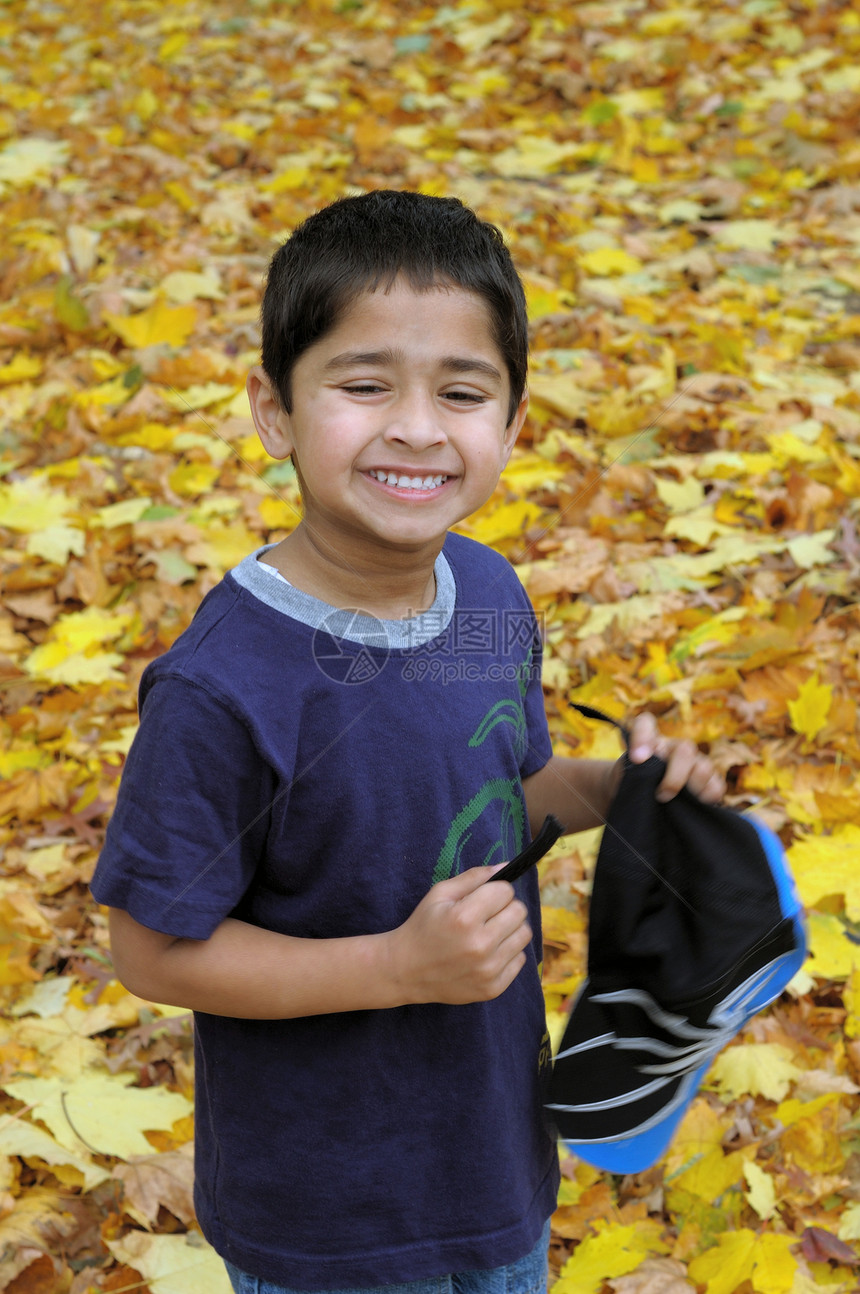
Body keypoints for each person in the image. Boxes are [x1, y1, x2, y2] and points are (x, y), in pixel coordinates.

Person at [91, 190, 724, 1294]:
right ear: (274, 410)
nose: (418, 426)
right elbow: (148, 951)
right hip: (329, 1217)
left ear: (511, 424)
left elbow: (500, 793)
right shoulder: (223, 686)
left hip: (491, 1165)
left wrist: (620, 792)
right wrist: (392, 967)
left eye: (462, 391)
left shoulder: (483, 594)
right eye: (363, 383)